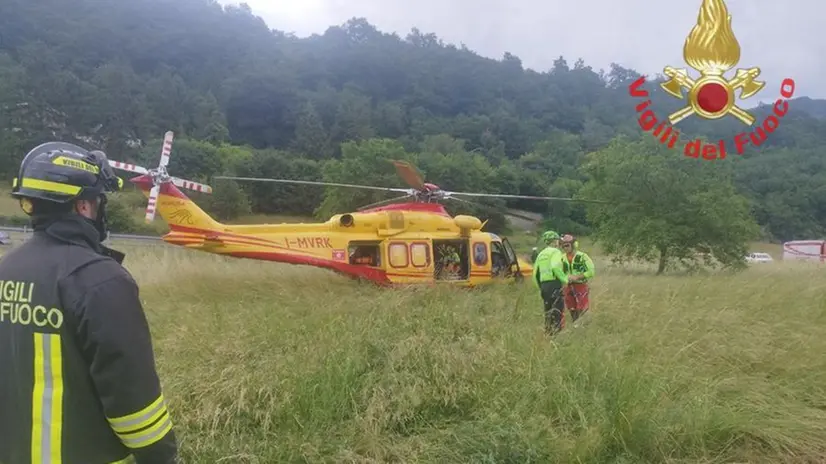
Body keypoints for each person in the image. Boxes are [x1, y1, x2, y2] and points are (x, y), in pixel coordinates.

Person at [0, 142, 178, 464]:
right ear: (83, 206)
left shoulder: (5, 270)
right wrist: (162, 456)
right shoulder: (100, 280)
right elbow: (135, 404)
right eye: (98, 201)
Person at [532, 230, 568, 334]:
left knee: (548, 312)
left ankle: (548, 333)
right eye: (557, 240)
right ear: (554, 241)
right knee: (557, 312)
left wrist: (540, 287)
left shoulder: (541, 254)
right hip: (554, 284)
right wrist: (565, 280)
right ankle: (557, 335)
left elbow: (535, 274)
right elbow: (555, 266)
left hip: (544, 286)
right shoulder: (556, 252)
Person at [560, 234, 596, 324]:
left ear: (574, 245)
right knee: (571, 308)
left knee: (582, 308)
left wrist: (577, 277)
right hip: (567, 286)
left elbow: (591, 271)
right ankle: (575, 325)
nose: (565, 248)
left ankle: (583, 325)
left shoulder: (583, 256)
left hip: (581, 285)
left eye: (567, 245)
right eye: (563, 246)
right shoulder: (561, 258)